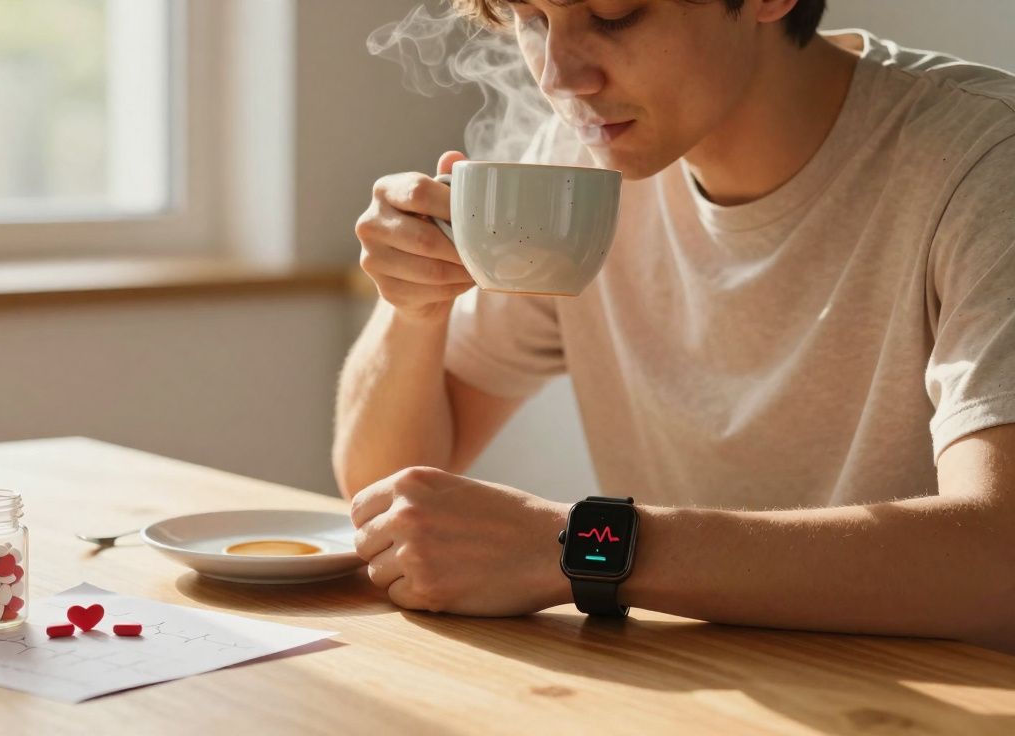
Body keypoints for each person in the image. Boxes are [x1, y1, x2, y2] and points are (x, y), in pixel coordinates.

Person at [333, 0, 1015, 651]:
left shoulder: (984, 164)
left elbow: (999, 559)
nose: (558, 78)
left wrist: (583, 546)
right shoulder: (572, 173)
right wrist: (414, 308)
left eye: (614, 15)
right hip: (698, 684)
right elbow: (385, 497)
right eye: (530, 18)